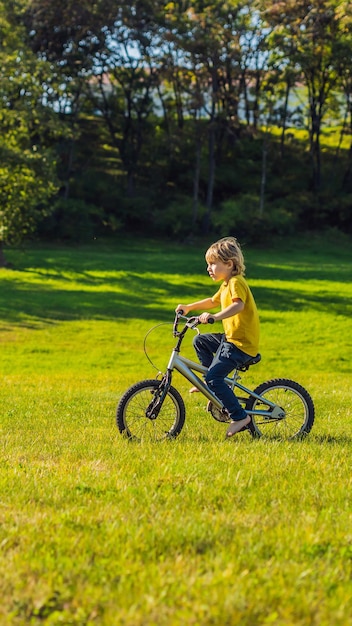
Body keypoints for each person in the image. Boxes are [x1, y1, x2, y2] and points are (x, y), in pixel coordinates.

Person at [176, 236, 260, 438]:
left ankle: (240, 417)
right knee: (200, 341)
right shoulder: (225, 285)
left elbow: (238, 305)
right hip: (231, 338)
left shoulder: (236, 282)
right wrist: (189, 307)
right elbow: (212, 301)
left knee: (215, 377)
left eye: (213, 264)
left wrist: (215, 317)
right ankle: (209, 385)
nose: (209, 268)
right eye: (208, 264)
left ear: (229, 264)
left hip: (241, 344)